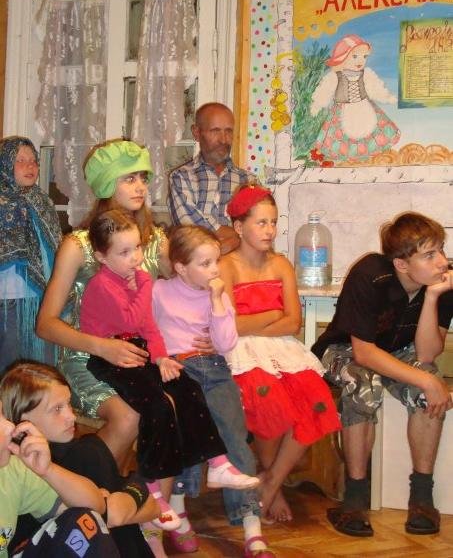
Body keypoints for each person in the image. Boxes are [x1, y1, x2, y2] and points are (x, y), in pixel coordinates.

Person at [79, 210, 260, 544]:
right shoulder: (103, 284)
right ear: (102, 257)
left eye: (137, 249)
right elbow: (131, 319)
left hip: (144, 352)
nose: (135, 258)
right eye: (124, 252)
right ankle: (153, 489)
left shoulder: (138, 281)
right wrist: (145, 285)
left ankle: (219, 464)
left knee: (186, 388)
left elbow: (149, 328)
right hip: (110, 357)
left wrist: (162, 357)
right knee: (159, 406)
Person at [311, 211, 453, 538]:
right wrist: (427, 379)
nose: (442, 261)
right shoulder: (370, 275)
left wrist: (432, 296)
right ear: (401, 264)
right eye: (429, 255)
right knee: (363, 383)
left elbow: (427, 354)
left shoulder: (443, 283)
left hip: (400, 349)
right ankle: (354, 498)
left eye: (441, 250)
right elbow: (363, 353)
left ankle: (421, 497)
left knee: (426, 391)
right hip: (345, 348)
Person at [36, 139, 173, 474]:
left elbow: (185, 289)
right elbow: (46, 324)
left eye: (143, 177)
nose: (141, 186)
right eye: (129, 178)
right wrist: (102, 347)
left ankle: (138, 494)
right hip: (86, 358)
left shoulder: (156, 241)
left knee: (177, 401)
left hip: (139, 355)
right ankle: (87, 496)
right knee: (128, 416)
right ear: (107, 184)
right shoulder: (78, 245)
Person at [219, 185, 341, 524]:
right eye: (261, 223)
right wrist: (273, 315)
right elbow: (230, 327)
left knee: (316, 398)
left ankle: (272, 480)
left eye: (273, 222)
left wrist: (257, 322)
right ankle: (272, 480)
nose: (269, 230)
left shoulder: (281, 264)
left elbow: (294, 323)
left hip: (284, 349)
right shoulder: (226, 266)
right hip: (241, 353)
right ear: (239, 227)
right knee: (269, 401)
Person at [152, 225, 274, 557]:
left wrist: (218, 301)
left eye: (215, 261)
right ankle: (180, 515)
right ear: (181, 267)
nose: (214, 269)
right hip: (178, 369)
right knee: (186, 435)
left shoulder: (216, 294)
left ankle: (251, 526)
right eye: (205, 263)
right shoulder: (160, 291)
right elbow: (147, 330)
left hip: (215, 369)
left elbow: (226, 342)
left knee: (235, 437)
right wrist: (160, 358)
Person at [0, 360, 168, 557]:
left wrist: (131, 494)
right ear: (22, 419)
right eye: (57, 409)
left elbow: (119, 508)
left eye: (68, 404)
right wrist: (134, 490)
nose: (72, 416)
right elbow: (113, 514)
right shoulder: (80, 455)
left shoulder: (22, 469)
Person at [0, 396, 117, 557]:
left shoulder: (12, 471)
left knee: (86, 521)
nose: (9, 427)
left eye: (2, 413)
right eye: (56, 408)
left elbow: (95, 509)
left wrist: (48, 470)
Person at [0, 136, 61, 369]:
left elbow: (54, 247)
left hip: (40, 299)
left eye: (34, 160)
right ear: (5, 164)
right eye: (20, 160)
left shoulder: (42, 201)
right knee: (10, 369)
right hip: (6, 300)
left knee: (42, 368)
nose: (30, 166)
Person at [168, 102, 255, 254]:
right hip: (195, 266)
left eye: (228, 131)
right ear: (196, 133)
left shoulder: (249, 181)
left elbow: (259, 230)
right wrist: (240, 237)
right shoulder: (181, 177)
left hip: (241, 267)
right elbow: (191, 231)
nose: (223, 139)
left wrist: (240, 238)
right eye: (215, 131)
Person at [310, 34, 400, 164]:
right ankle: (350, 159)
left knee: (371, 130)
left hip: (365, 107)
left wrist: (387, 97)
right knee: (343, 136)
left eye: (364, 57)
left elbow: (376, 89)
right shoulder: (335, 76)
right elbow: (324, 91)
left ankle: (367, 158)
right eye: (355, 56)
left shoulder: (366, 74)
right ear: (342, 57)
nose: (360, 61)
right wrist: (317, 104)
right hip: (342, 110)